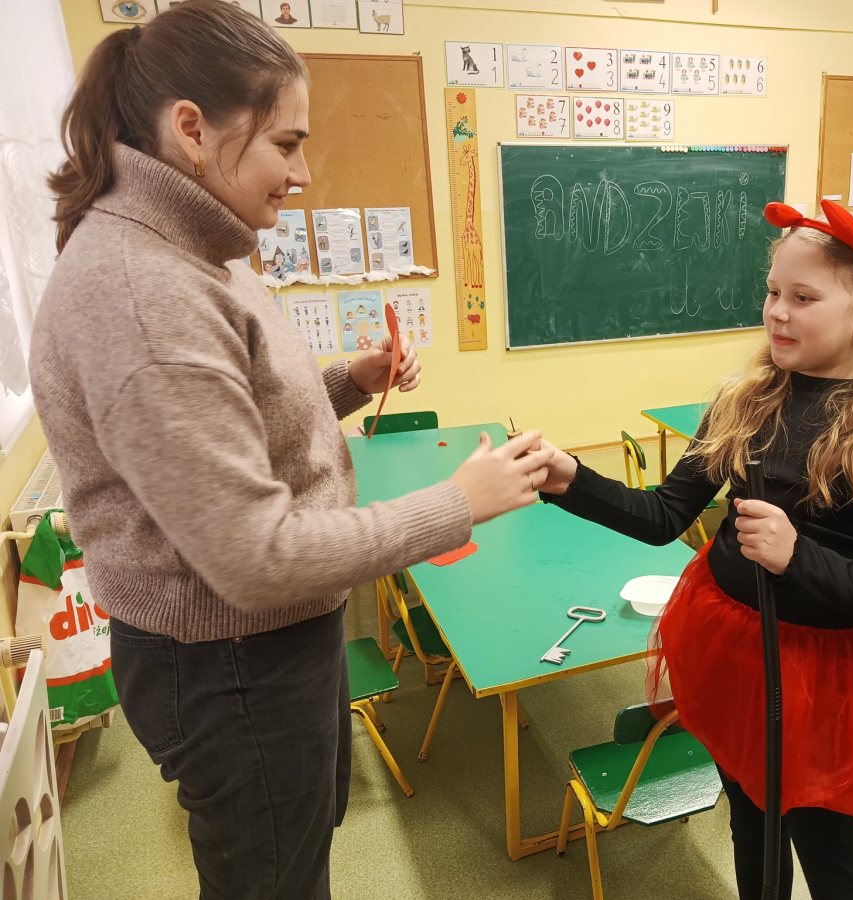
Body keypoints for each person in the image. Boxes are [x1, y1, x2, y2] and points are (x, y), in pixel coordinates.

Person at [29, 4, 551, 898]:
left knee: (294, 856)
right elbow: (257, 557)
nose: (303, 174)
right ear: (192, 129)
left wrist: (347, 379)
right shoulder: (143, 290)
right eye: (287, 144)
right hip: (233, 661)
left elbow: (232, 416)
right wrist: (458, 502)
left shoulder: (195, 248)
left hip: (258, 651)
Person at [538, 200, 853, 900]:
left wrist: (800, 557)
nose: (778, 313)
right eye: (772, 292)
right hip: (733, 653)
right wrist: (570, 480)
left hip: (823, 682)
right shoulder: (746, 400)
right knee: (751, 825)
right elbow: (663, 516)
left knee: (833, 860)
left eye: (804, 298)